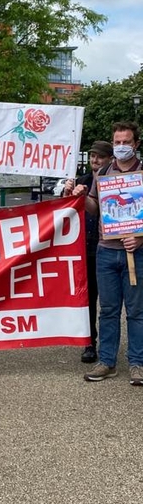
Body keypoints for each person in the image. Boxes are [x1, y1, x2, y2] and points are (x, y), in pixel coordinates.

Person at [82, 122, 143, 385]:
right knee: (107, 310)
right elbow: (95, 207)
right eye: (117, 142)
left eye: (126, 142)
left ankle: (137, 363)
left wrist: (141, 237)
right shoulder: (104, 172)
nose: (121, 147)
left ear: (136, 144)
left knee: (137, 311)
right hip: (106, 251)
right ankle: (106, 362)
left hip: (137, 254)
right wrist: (82, 196)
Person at [62, 141, 113, 364]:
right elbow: (63, 212)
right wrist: (68, 193)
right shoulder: (81, 182)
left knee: (111, 303)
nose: (95, 160)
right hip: (85, 248)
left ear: (109, 159)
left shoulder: (114, 180)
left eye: (100, 157)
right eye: (92, 156)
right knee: (89, 299)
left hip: (109, 246)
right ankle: (89, 343)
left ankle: (110, 347)